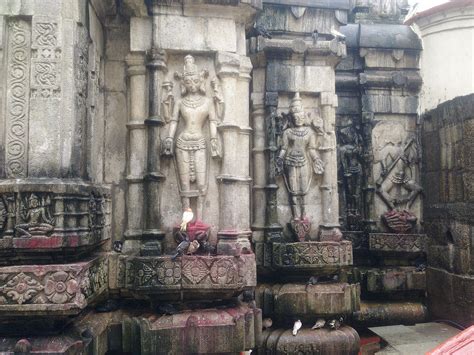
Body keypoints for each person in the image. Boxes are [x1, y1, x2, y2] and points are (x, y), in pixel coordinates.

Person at [162, 55, 220, 220]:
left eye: (195, 81)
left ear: (200, 81)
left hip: (201, 142)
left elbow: (213, 122)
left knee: (201, 184)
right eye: (188, 82)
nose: (192, 85)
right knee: (185, 185)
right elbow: (173, 121)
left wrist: (214, 139)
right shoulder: (180, 102)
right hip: (182, 142)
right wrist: (169, 138)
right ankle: (185, 222)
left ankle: (200, 220)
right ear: (183, 84)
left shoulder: (208, 102)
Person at [276, 92, 324, 221]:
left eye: (301, 116)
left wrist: (317, 160)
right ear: (291, 118)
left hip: (304, 161)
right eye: (295, 117)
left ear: (304, 116)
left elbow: (311, 149)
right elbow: (284, 148)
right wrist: (280, 160)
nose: (299, 119)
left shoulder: (309, 133)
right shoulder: (288, 132)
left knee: (303, 190)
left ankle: (304, 214)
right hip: (289, 161)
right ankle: (296, 216)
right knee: (293, 191)